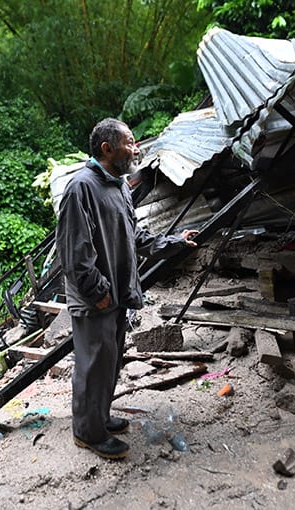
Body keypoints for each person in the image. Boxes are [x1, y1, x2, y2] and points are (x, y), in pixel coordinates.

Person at [57, 118, 199, 460]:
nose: (136, 149)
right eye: (130, 143)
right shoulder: (82, 187)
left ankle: (100, 418)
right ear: (107, 149)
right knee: (93, 367)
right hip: (96, 299)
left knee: (110, 362)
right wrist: (98, 291)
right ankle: (88, 433)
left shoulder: (119, 187)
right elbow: (75, 254)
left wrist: (173, 242)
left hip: (116, 295)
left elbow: (132, 237)